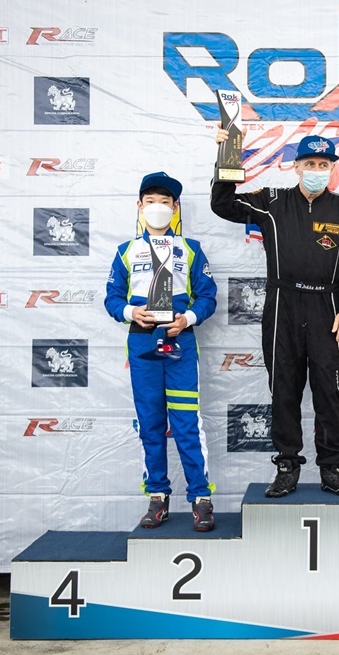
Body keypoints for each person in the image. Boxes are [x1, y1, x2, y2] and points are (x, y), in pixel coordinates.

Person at [211, 133, 339, 498]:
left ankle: (332, 468)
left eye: (323, 165)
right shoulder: (272, 201)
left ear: (332, 168)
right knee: (283, 388)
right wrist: (225, 154)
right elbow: (223, 204)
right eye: (310, 164)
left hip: (329, 308)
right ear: (296, 167)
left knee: (330, 391)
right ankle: (286, 465)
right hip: (283, 304)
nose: (316, 170)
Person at [104, 173, 218, 532]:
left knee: (186, 423)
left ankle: (201, 498)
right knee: (151, 423)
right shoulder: (126, 250)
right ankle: (157, 496)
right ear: (140, 206)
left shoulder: (191, 249)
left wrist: (188, 318)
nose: (158, 207)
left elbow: (208, 296)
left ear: (175, 207)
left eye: (165, 202)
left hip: (180, 344)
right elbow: (111, 298)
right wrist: (129, 312)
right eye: (151, 201)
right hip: (142, 343)